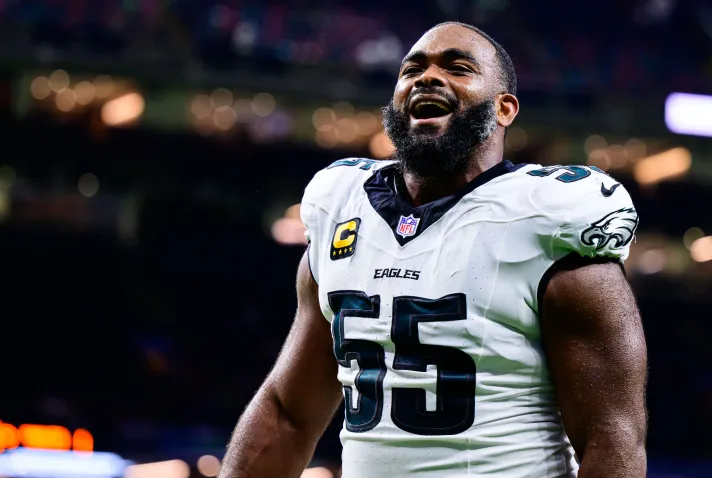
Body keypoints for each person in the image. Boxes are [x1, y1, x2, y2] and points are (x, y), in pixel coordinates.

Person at [220, 21, 647, 478]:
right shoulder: (342, 209)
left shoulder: (549, 219)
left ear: (504, 108)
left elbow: (613, 439)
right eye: (413, 69)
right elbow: (288, 415)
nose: (427, 77)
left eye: (458, 68)